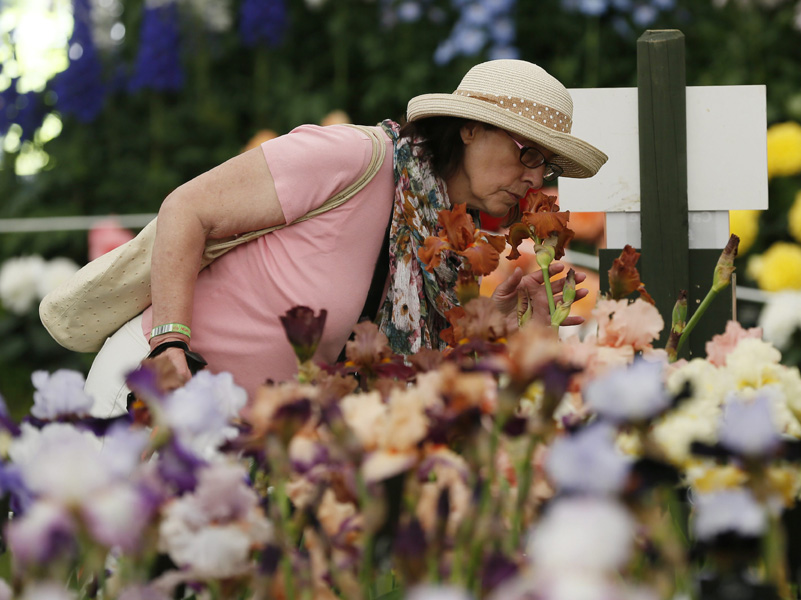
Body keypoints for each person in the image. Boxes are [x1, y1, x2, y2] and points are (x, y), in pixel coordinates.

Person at [84, 59, 608, 417]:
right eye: (529, 153)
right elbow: (186, 208)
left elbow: (388, 362)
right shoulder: (357, 156)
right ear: (471, 128)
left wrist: (491, 325)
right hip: (157, 388)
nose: (537, 178)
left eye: (548, 166)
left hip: (244, 428)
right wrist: (170, 342)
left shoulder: (437, 231)